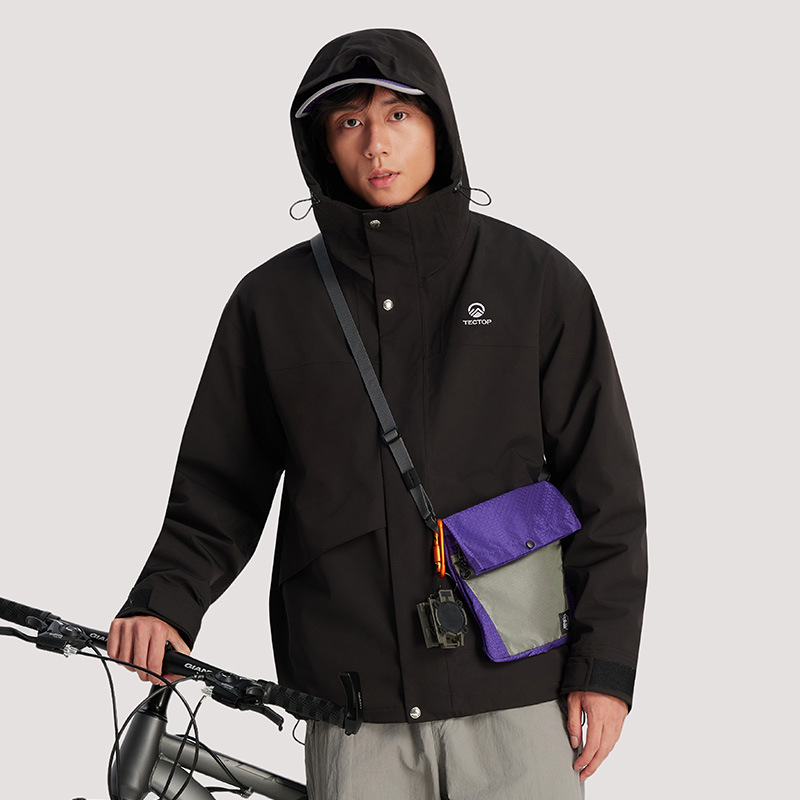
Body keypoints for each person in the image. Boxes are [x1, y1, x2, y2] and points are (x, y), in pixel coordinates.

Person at [108, 28, 647, 799]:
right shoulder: (272, 304)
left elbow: (605, 489)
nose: (376, 144)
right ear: (322, 146)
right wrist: (165, 605)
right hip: (355, 708)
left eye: (398, 115)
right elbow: (220, 487)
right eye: (349, 122)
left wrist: (605, 667)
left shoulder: (535, 281)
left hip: (518, 695)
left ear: (439, 127)